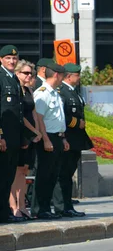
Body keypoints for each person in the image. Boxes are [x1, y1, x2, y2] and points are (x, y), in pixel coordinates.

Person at [53, 63, 91, 217]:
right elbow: (61, 115)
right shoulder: (62, 92)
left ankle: (67, 205)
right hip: (68, 137)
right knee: (63, 174)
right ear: (69, 76)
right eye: (77, 75)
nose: (79, 77)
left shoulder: (73, 92)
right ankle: (62, 206)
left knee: (68, 174)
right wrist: (76, 123)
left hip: (76, 140)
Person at [32, 61, 69, 220]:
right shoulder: (42, 93)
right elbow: (38, 119)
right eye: (62, 75)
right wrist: (46, 140)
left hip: (57, 137)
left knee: (53, 175)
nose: (63, 78)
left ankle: (47, 208)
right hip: (48, 138)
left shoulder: (55, 92)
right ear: (56, 75)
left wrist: (63, 138)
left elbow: (57, 118)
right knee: (44, 175)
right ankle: (39, 209)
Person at [9, 60, 41, 219]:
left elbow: (33, 112)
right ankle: (13, 206)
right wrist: (34, 130)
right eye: (25, 73)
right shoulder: (15, 90)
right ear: (17, 73)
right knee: (15, 171)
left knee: (23, 171)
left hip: (31, 135)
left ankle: (22, 205)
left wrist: (39, 131)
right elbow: (21, 116)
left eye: (31, 73)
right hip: (21, 133)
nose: (29, 76)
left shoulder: (29, 90)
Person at [0, 45, 26, 224]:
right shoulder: (1, 78)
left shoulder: (14, 79)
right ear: (1, 59)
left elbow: (19, 112)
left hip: (14, 138)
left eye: (14, 58)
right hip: (3, 137)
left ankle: (5, 212)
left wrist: (22, 137)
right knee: (2, 176)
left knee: (8, 177)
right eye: (8, 58)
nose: (12, 61)